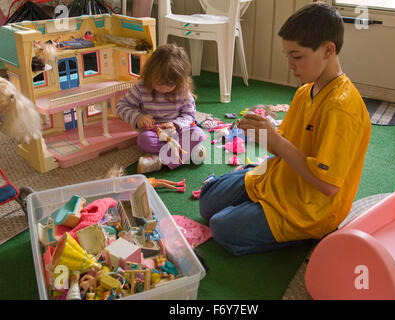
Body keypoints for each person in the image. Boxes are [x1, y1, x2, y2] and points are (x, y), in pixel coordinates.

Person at [199, 2, 371, 256]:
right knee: (206, 203)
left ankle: (307, 235)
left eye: (297, 56)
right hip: (279, 177)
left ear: (328, 50)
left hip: (310, 208)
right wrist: (264, 134)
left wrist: (277, 143)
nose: (290, 65)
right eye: (287, 55)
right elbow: (284, 147)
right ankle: (252, 193)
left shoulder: (341, 108)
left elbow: (328, 186)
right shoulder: (305, 91)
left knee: (220, 228)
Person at [116, 43, 206, 170]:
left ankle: (160, 161)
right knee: (143, 140)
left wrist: (175, 124)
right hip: (154, 133)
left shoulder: (183, 90)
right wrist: (138, 118)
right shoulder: (142, 87)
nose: (163, 89)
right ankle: (184, 152)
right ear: (150, 74)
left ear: (180, 81)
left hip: (177, 131)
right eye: (158, 83)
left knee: (198, 134)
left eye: (169, 85)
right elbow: (121, 106)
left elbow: (189, 114)